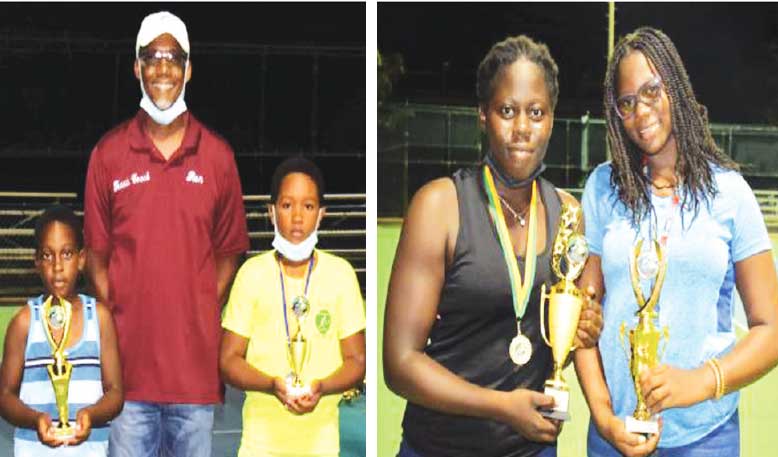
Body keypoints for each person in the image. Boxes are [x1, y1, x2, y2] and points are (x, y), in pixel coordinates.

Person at [382, 35, 603, 457]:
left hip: (530, 450)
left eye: (536, 112)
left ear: (552, 119)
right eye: (507, 111)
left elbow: (560, 347)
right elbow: (400, 363)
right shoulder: (440, 206)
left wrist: (581, 330)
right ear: (483, 115)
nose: (522, 128)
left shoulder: (569, 216)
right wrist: (503, 408)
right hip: (439, 448)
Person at [575, 27, 778, 457]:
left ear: (676, 86)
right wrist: (603, 417)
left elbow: (774, 333)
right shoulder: (601, 188)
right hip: (614, 438)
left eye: (652, 90)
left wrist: (699, 381)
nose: (641, 111)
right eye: (627, 102)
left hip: (705, 439)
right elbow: (584, 325)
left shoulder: (730, 193)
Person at [82, 11, 249, 456]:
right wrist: (125, 312)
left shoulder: (217, 156)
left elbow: (229, 253)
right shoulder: (108, 154)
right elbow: (96, 257)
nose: (162, 69)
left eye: (173, 57)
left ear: (188, 69)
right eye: (151, 57)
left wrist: (192, 306)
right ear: (136, 68)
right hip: (127, 379)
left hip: (193, 379)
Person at [218, 157, 366, 456]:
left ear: (321, 214)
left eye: (308, 206)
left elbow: (357, 362)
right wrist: (271, 384)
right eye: (287, 205)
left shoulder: (341, 274)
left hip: (320, 446)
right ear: (271, 212)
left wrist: (321, 386)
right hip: (259, 447)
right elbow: (229, 360)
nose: (297, 217)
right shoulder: (251, 274)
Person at [0, 206, 123, 456]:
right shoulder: (24, 322)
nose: (57, 266)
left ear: (81, 258)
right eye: (47, 255)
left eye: (66, 254)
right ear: (36, 261)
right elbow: (5, 396)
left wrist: (90, 415)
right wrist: (36, 419)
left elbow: (116, 392)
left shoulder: (99, 318)